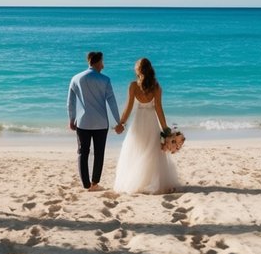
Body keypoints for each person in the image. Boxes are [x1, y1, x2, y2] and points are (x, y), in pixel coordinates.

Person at [114, 57, 180, 194]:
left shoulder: (133, 86)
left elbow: (129, 107)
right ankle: (150, 181)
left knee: (137, 149)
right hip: (151, 121)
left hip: (139, 121)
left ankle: (138, 182)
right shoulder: (156, 87)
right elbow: (159, 109)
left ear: (138, 70)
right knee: (151, 151)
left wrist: (122, 123)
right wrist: (165, 128)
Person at [67, 51, 123, 192]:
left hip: (83, 122)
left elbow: (70, 102)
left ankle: (86, 185)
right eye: (102, 62)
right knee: (99, 153)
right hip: (101, 123)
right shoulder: (105, 80)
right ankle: (95, 183)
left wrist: (71, 119)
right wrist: (118, 121)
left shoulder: (76, 78)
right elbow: (112, 102)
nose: (103, 66)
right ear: (97, 62)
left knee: (82, 152)